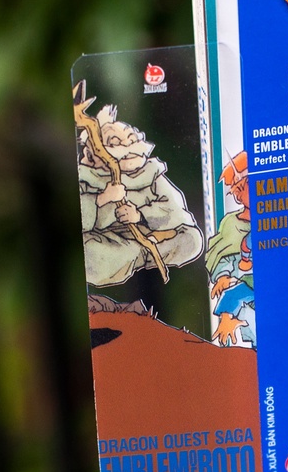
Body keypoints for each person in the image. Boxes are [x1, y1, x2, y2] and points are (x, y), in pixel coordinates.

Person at [77, 102, 203, 288]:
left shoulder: (152, 174)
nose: (127, 146)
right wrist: (101, 199)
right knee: (89, 256)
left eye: (131, 139)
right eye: (115, 142)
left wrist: (140, 215)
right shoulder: (86, 179)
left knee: (192, 239)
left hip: (153, 236)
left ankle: (142, 255)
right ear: (91, 156)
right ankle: (136, 256)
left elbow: (176, 211)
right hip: (114, 243)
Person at [205, 151, 255, 347]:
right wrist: (222, 276)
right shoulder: (231, 223)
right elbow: (221, 255)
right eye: (244, 187)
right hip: (238, 292)